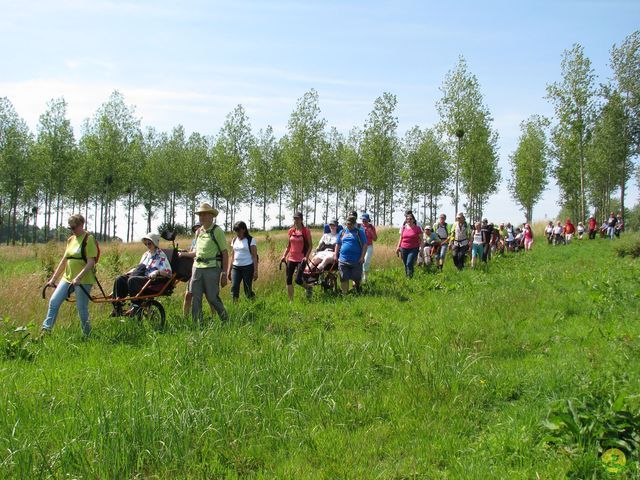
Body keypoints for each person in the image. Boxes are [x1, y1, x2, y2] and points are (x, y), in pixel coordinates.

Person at [41, 214, 98, 336]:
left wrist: (79, 277)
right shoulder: (71, 240)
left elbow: (91, 262)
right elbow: (64, 260)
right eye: (70, 228)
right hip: (67, 278)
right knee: (54, 302)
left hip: (83, 280)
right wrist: (53, 278)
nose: (72, 230)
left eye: (74, 227)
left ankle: (87, 334)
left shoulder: (89, 239)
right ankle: (45, 331)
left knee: (81, 308)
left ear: (82, 225)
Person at [178, 203, 229, 325]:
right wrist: (184, 254)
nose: (202, 217)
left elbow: (225, 253)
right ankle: (197, 324)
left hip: (212, 268)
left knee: (212, 297)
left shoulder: (217, 231)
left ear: (211, 216)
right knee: (195, 296)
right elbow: (196, 252)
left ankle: (225, 320)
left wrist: (224, 272)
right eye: (200, 214)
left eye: (205, 214)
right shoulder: (198, 232)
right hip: (197, 267)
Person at [112, 233, 172, 316]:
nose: (147, 245)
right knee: (120, 278)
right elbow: (140, 267)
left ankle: (136, 306)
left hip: (152, 279)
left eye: (149, 243)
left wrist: (157, 272)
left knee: (132, 280)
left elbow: (168, 273)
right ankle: (117, 306)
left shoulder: (161, 255)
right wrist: (131, 271)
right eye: (146, 243)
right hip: (141, 276)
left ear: (154, 243)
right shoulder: (146, 254)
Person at [280, 212, 312, 301]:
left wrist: (306, 256)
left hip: (301, 258)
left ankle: (308, 288)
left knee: (298, 279)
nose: (296, 220)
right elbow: (289, 245)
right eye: (295, 218)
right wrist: (284, 256)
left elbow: (310, 245)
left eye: (297, 218)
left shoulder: (306, 231)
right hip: (291, 258)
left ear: (301, 219)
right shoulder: (291, 231)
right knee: (288, 279)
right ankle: (291, 301)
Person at [334, 215, 368, 294]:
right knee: (343, 278)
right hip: (343, 259)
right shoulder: (342, 232)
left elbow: (365, 245)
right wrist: (335, 255)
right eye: (347, 224)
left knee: (356, 278)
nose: (349, 225)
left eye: (351, 224)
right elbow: (338, 244)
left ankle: (357, 290)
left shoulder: (359, 232)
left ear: (354, 224)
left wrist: (362, 257)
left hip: (356, 260)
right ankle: (345, 294)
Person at [227, 221, 258, 302]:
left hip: (248, 267)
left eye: (239, 230)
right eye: (236, 231)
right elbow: (232, 256)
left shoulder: (250, 240)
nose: (237, 233)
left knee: (247, 290)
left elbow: (254, 257)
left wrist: (255, 271)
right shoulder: (234, 240)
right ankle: (235, 306)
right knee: (234, 287)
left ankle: (253, 303)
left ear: (244, 229)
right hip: (236, 267)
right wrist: (229, 270)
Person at [395, 211, 422, 278]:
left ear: (413, 220)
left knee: (409, 262)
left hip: (414, 248)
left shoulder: (417, 228)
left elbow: (422, 240)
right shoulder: (403, 228)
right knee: (405, 264)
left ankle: (410, 277)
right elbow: (400, 238)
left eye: (410, 219)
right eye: (407, 219)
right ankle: (407, 276)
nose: (409, 220)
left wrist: (421, 248)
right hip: (403, 248)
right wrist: (398, 247)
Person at [182, 222, 201, 316]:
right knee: (188, 294)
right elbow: (192, 252)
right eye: (195, 229)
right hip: (193, 269)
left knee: (210, 296)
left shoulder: (207, 240)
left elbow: (196, 253)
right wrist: (185, 252)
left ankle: (214, 317)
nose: (196, 230)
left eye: (199, 228)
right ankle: (185, 318)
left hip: (204, 269)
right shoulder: (194, 241)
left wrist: (182, 254)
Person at [361, 213, 377, 282]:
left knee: (366, 261)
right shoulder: (360, 227)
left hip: (369, 246)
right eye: (363, 220)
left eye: (365, 220)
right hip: (360, 247)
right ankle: (360, 277)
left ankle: (365, 277)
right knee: (360, 262)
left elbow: (375, 239)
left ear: (368, 220)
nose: (364, 221)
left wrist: (371, 232)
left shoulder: (371, 227)